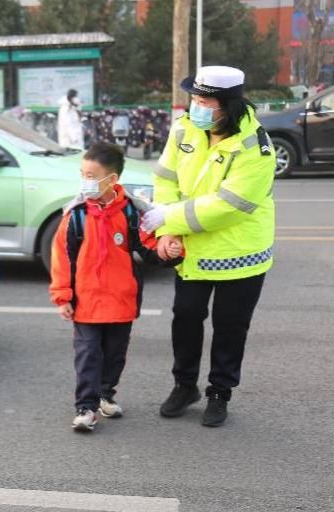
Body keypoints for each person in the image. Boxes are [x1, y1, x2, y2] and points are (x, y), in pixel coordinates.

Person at [141, 66, 275, 427]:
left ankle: (220, 392)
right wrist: (166, 228)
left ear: (228, 105)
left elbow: (231, 205)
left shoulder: (255, 146)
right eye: (194, 99)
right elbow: (165, 177)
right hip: (192, 246)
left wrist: (171, 218)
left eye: (204, 101)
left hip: (240, 251)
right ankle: (185, 385)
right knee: (185, 316)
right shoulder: (185, 127)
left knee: (230, 325)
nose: (195, 107)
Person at [49, 142, 183, 433]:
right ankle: (85, 407)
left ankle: (105, 395)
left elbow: (148, 247)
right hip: (86, 303)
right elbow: (62, 258)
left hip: (122, 301)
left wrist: (168, 251)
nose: (85, 181)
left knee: (115, 354)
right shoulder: (76, 216)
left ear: (112, 180)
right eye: (82, 173)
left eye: (91, 175)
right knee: (88, 354)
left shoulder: (132, 213)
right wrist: (63, 296)